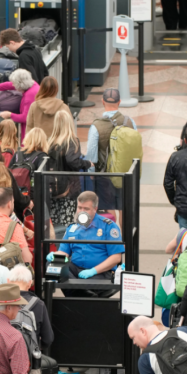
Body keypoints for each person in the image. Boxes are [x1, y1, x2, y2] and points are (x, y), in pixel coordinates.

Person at [47, 191, 125, 297]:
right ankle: (85, 295)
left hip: (100, 272)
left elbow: (116, 258)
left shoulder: (109, 227)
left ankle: (79, 296)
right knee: (53, 264)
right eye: (79, 207)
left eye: (86, 209)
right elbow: (64, 252)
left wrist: (93, 271)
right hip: (75, 270)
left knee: (75, 284)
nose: (81, 212)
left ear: (95, 209)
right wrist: (56, 256)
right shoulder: (72, 228)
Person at [86, 88, 137, 220]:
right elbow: (135, 147)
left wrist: (91, 174)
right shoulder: (130, 122)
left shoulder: (96, 126)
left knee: (109, 208)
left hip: (104, 175)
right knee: (123, 207)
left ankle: (114, 238)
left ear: (102, 101)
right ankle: (126, 240)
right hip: (125, 173)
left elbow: (92, 155)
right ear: (119, 102)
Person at [48, 109, 91, 227]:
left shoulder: (50, 142)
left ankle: (54, 245)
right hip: (69, 188)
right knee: (69, 224)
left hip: (53, 188)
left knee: (54, 222)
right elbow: (73, 161)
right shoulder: (72, 141)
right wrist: (87, 163)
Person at [0, 69, 40, 140]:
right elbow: (6, 85)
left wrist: (10, 115)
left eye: (15, 84)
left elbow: (25, 118)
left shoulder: (30, 96)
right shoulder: (31, 83)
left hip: (31, 133)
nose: (13, 86)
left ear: (20, 85)